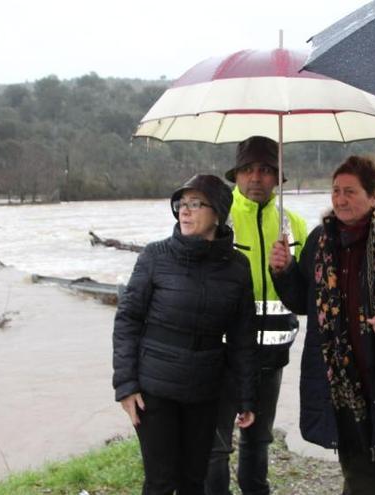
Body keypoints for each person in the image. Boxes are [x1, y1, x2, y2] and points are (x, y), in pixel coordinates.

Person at [268, 156, 375, 495]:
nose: (340, 199)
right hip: (340, 382)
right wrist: (284, 271)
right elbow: (301, 302)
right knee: (357, 478)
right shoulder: (322, 240)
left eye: (350, 191)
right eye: (336, 190)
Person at [113, 174, 258, 495]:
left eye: (196, 204)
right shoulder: (155, 257)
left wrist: (247, 396)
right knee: (161, 482)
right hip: (154, 388)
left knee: (195, 480)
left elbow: (242, 337)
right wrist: (125, 384)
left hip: (206, 388)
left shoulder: (237, 267)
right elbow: (127, 320)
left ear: (218, 213)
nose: (185, 212)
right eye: (181, 204)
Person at [206, 136, 308, 495]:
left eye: (266, 170)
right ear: (236, 176)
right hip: (223, 354)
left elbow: (306, 295)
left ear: (278, 177)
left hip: (273, 355)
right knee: (216, 447)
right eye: (248, 170)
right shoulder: (218, 219)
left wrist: (289, 270)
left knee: (258, 440)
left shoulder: (293, 224)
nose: (256, 178)